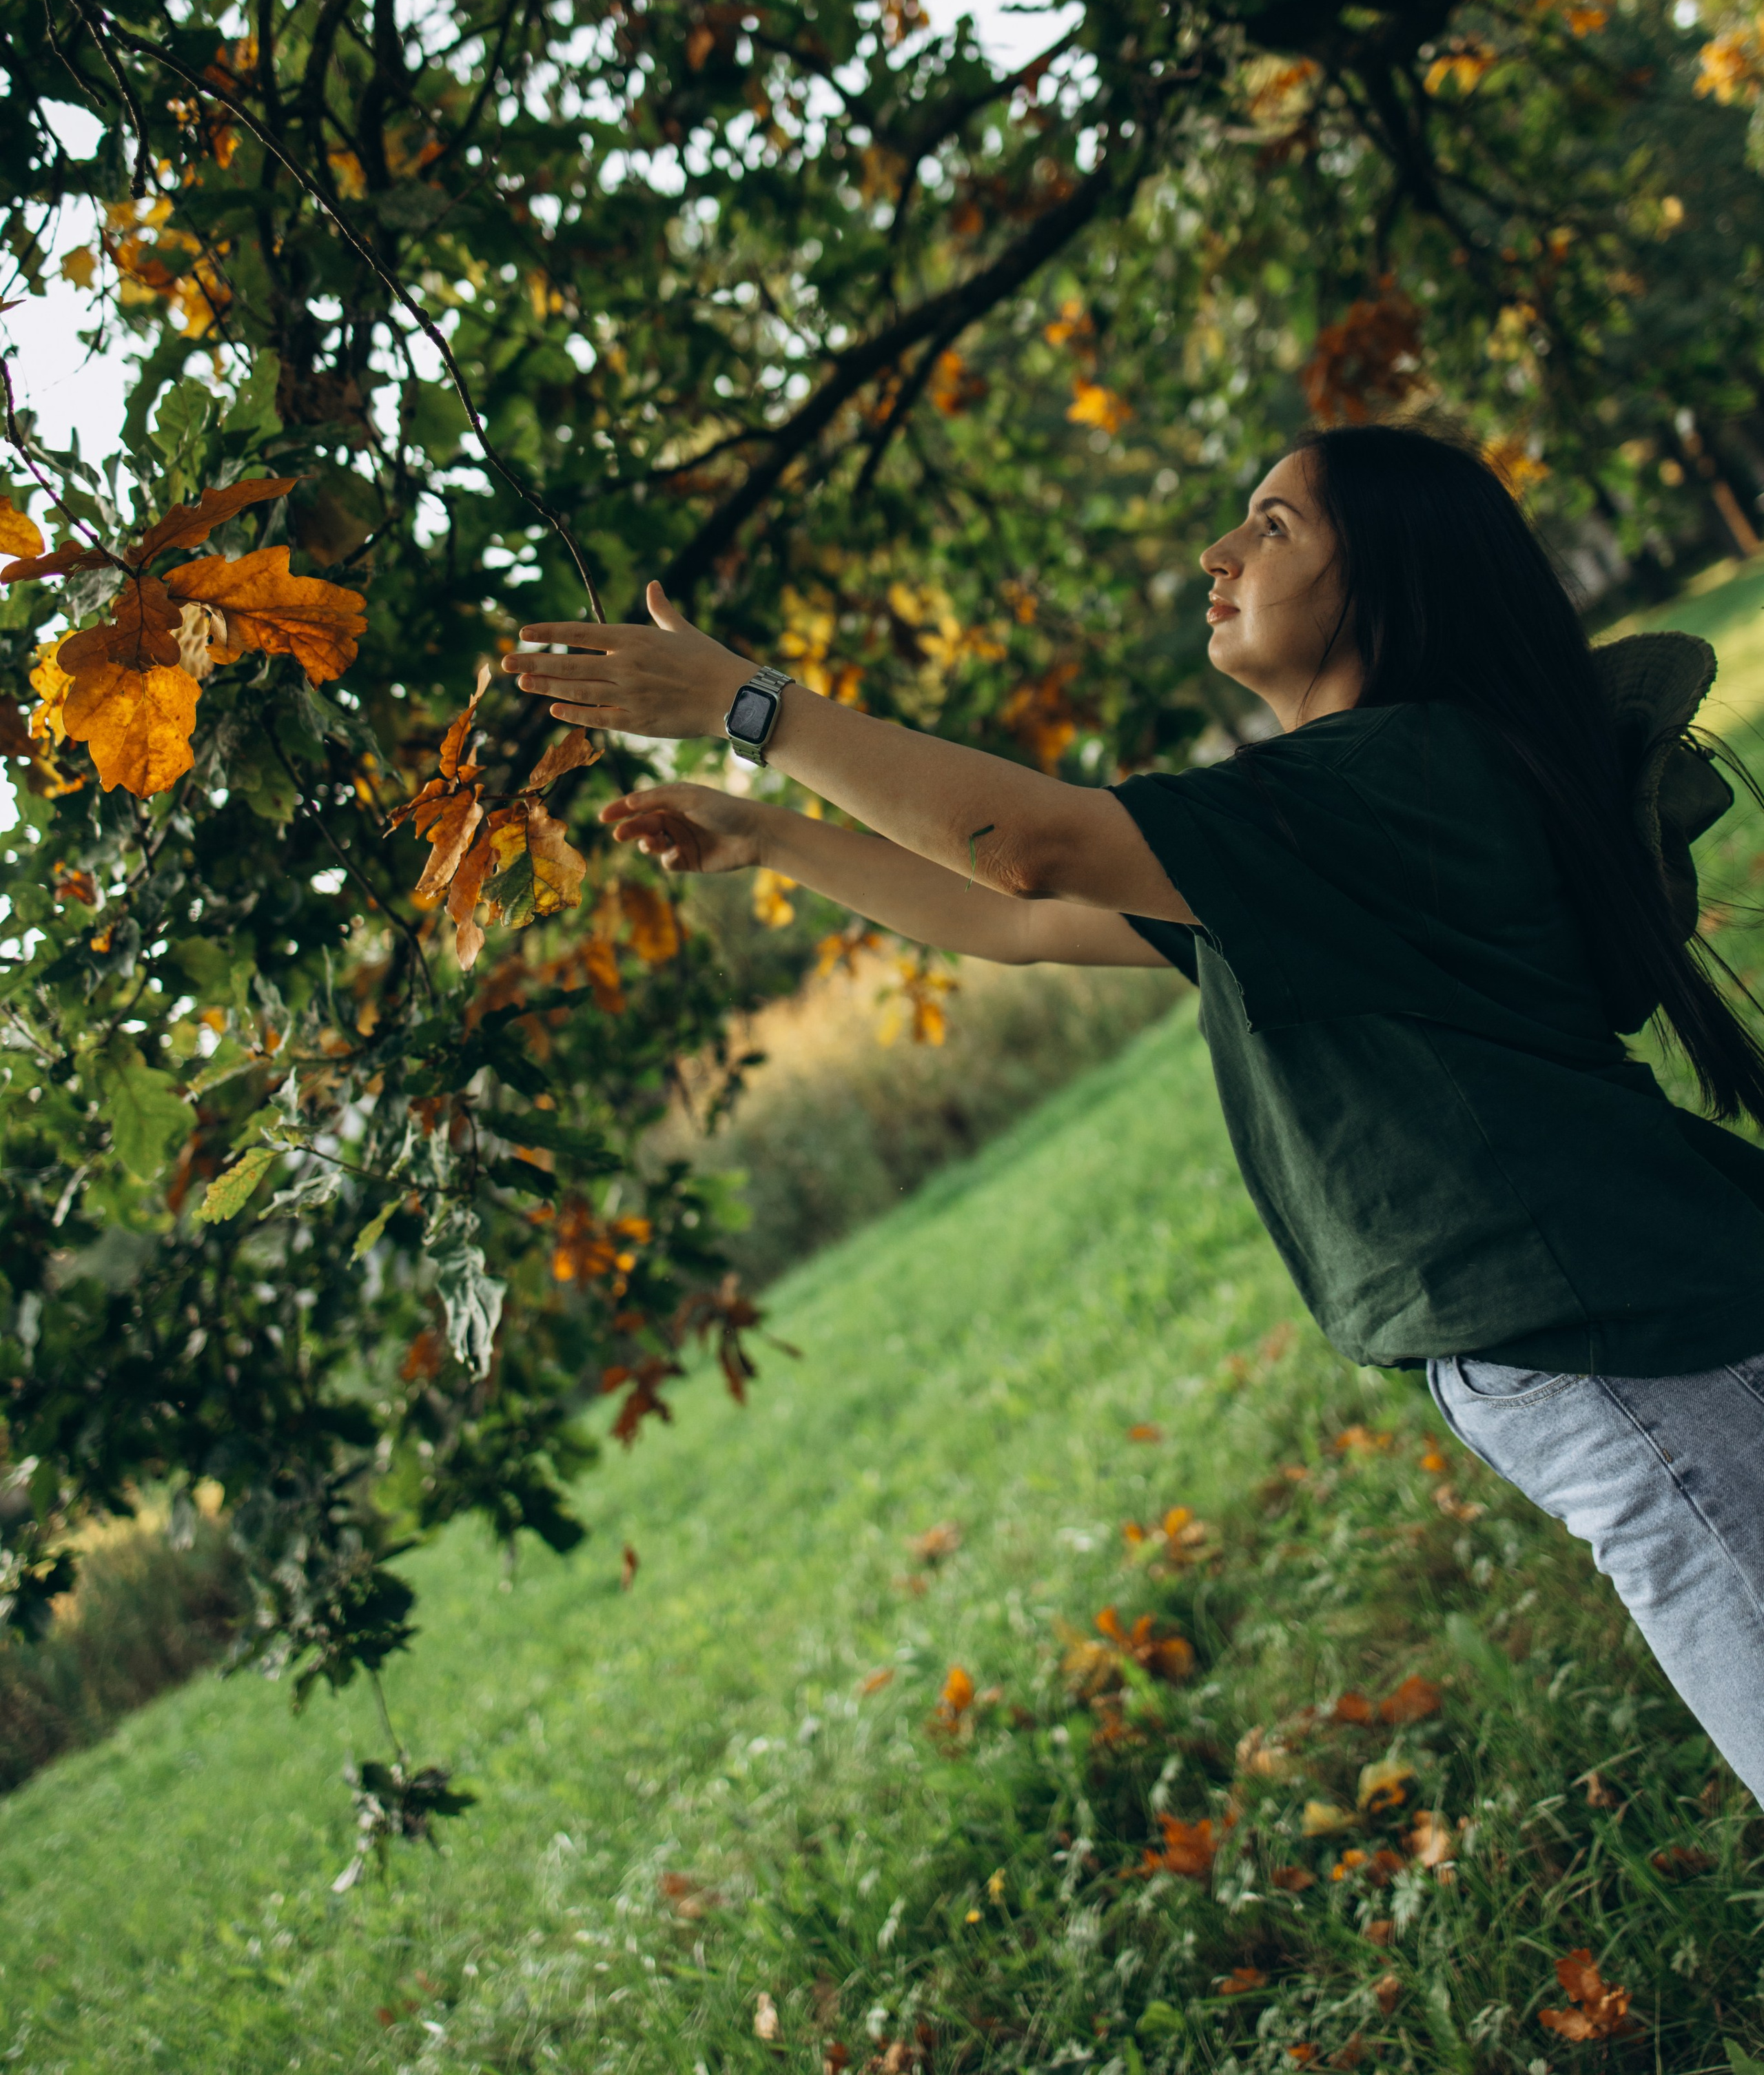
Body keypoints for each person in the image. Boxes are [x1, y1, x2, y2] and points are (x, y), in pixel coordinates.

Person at [506, 422, 1764, 1797]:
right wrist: (765, 835)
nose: (1217, 554)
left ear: (1392, 575)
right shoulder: (1328, 827)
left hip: (1631, 1346)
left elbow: (1030, 844)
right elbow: (1018, 925)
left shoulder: (1392, 779)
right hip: (1635, 1333)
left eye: (1274, 526)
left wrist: (754, 710)